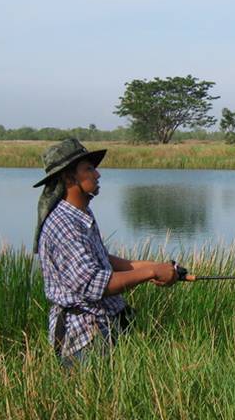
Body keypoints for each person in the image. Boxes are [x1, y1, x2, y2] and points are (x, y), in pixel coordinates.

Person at [32, 138, 177, 365]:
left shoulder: (80, 214)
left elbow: (102, 261)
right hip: (84, 342)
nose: (97, 174)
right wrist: (150, 273)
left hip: (104, 330)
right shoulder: (64, 224)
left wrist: (153, 267)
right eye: (88, 169)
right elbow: (95, 284)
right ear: (69, 177)